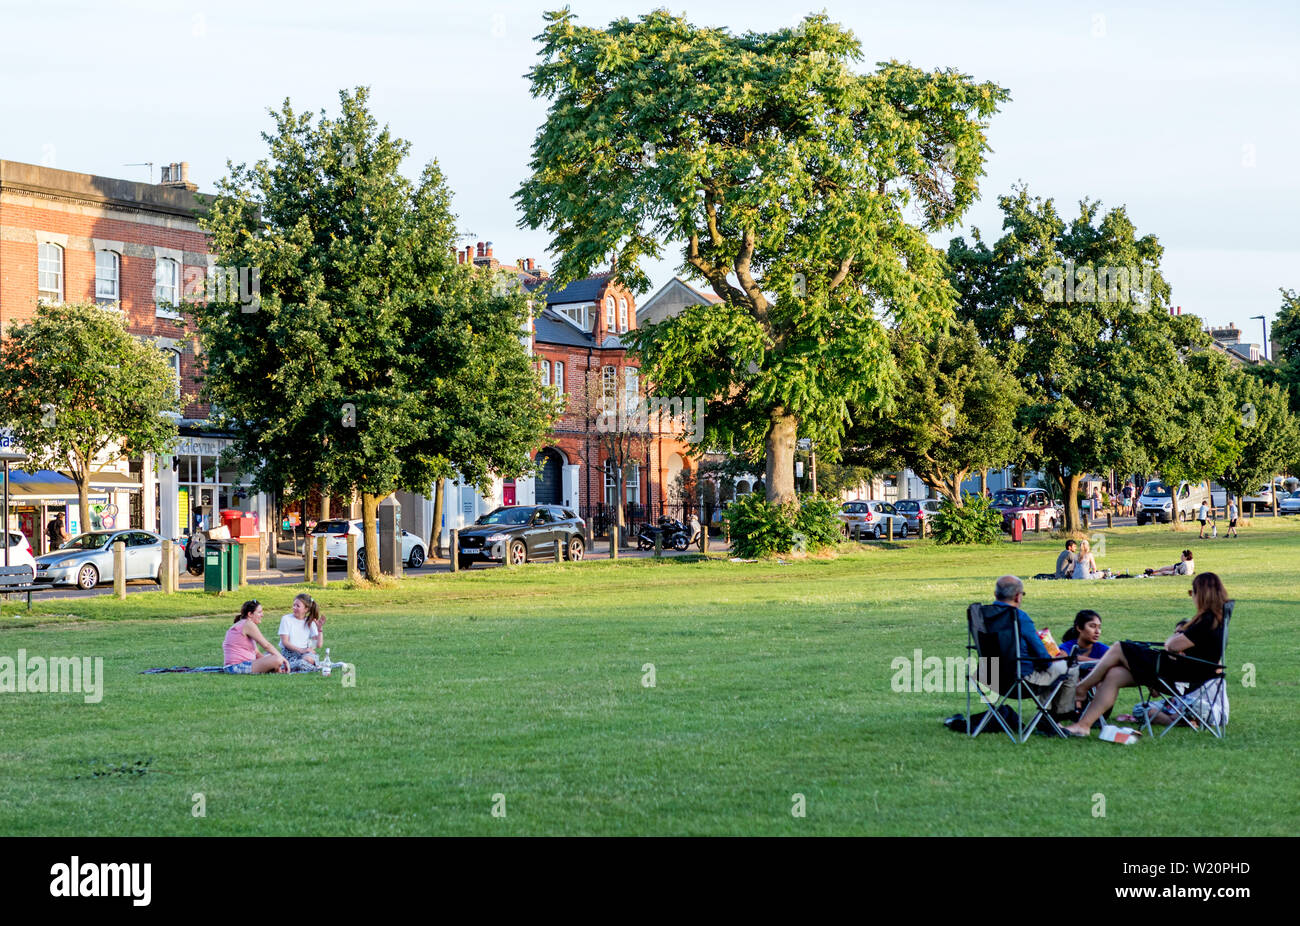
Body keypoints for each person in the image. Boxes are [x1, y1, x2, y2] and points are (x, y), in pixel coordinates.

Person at [1064, 573, 1230, 737]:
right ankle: (1083, 725)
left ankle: (1081, 688)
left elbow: (1172, 646)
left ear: (1201, 593)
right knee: (1114, 675)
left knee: (1119, 647)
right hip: (1185, 675)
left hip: (1179, 676)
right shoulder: (1218, 620)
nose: (1192, 597)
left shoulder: (1207, 620)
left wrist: (1174, 637)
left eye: (1192, 592)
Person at [983, 575, 1079, 719]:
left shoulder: (982, 616)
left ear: (995, 594)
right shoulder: (1019, 617)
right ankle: (1057, 716)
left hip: (990, 679)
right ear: (1017, 597)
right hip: (1021, 680)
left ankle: (1047, 717)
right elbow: (1043, 658)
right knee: (1070, 668)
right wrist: (1054, 657)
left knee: (1053, 670)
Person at [223, 600, 289, 674]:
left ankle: (276, 669)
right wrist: (283, 660)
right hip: (236, 667)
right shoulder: (248, 624)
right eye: (259, 612)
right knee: (277, 659)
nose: (262, 615)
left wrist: (274, 664)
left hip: (235, 666)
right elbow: (266, 645)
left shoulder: (244, 624)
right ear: (250, 614)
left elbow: (257, 653)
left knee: (272, 657)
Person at [279, 592, 324, 671]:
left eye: (298, 606)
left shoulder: (310, 622)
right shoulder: (286, 619)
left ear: (306, 609)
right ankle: (317, 668)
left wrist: (320, 629)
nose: (294, 608)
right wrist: (302, 650)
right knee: (301, 663)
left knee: (308, 659)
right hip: (289, 654)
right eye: (294, 605)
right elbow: (285, 642)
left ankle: (312, 667)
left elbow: (319, 645)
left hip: (304, 654)